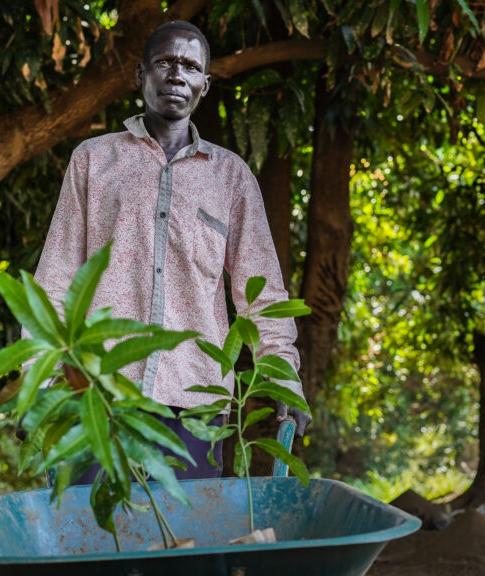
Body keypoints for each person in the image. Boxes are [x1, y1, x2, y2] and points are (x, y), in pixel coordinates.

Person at [29, 21, 310, 482]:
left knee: (186, 527)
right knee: (92, 525)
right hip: (98, 393)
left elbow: (261, 295)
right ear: (141, 75)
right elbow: (56, 280)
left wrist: (283, 379)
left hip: (195, 402)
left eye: (190, 66)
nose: (177, 75)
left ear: (205, 84)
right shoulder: (94, 160)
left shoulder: (231, 178)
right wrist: (37, 381)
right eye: (164, 62)